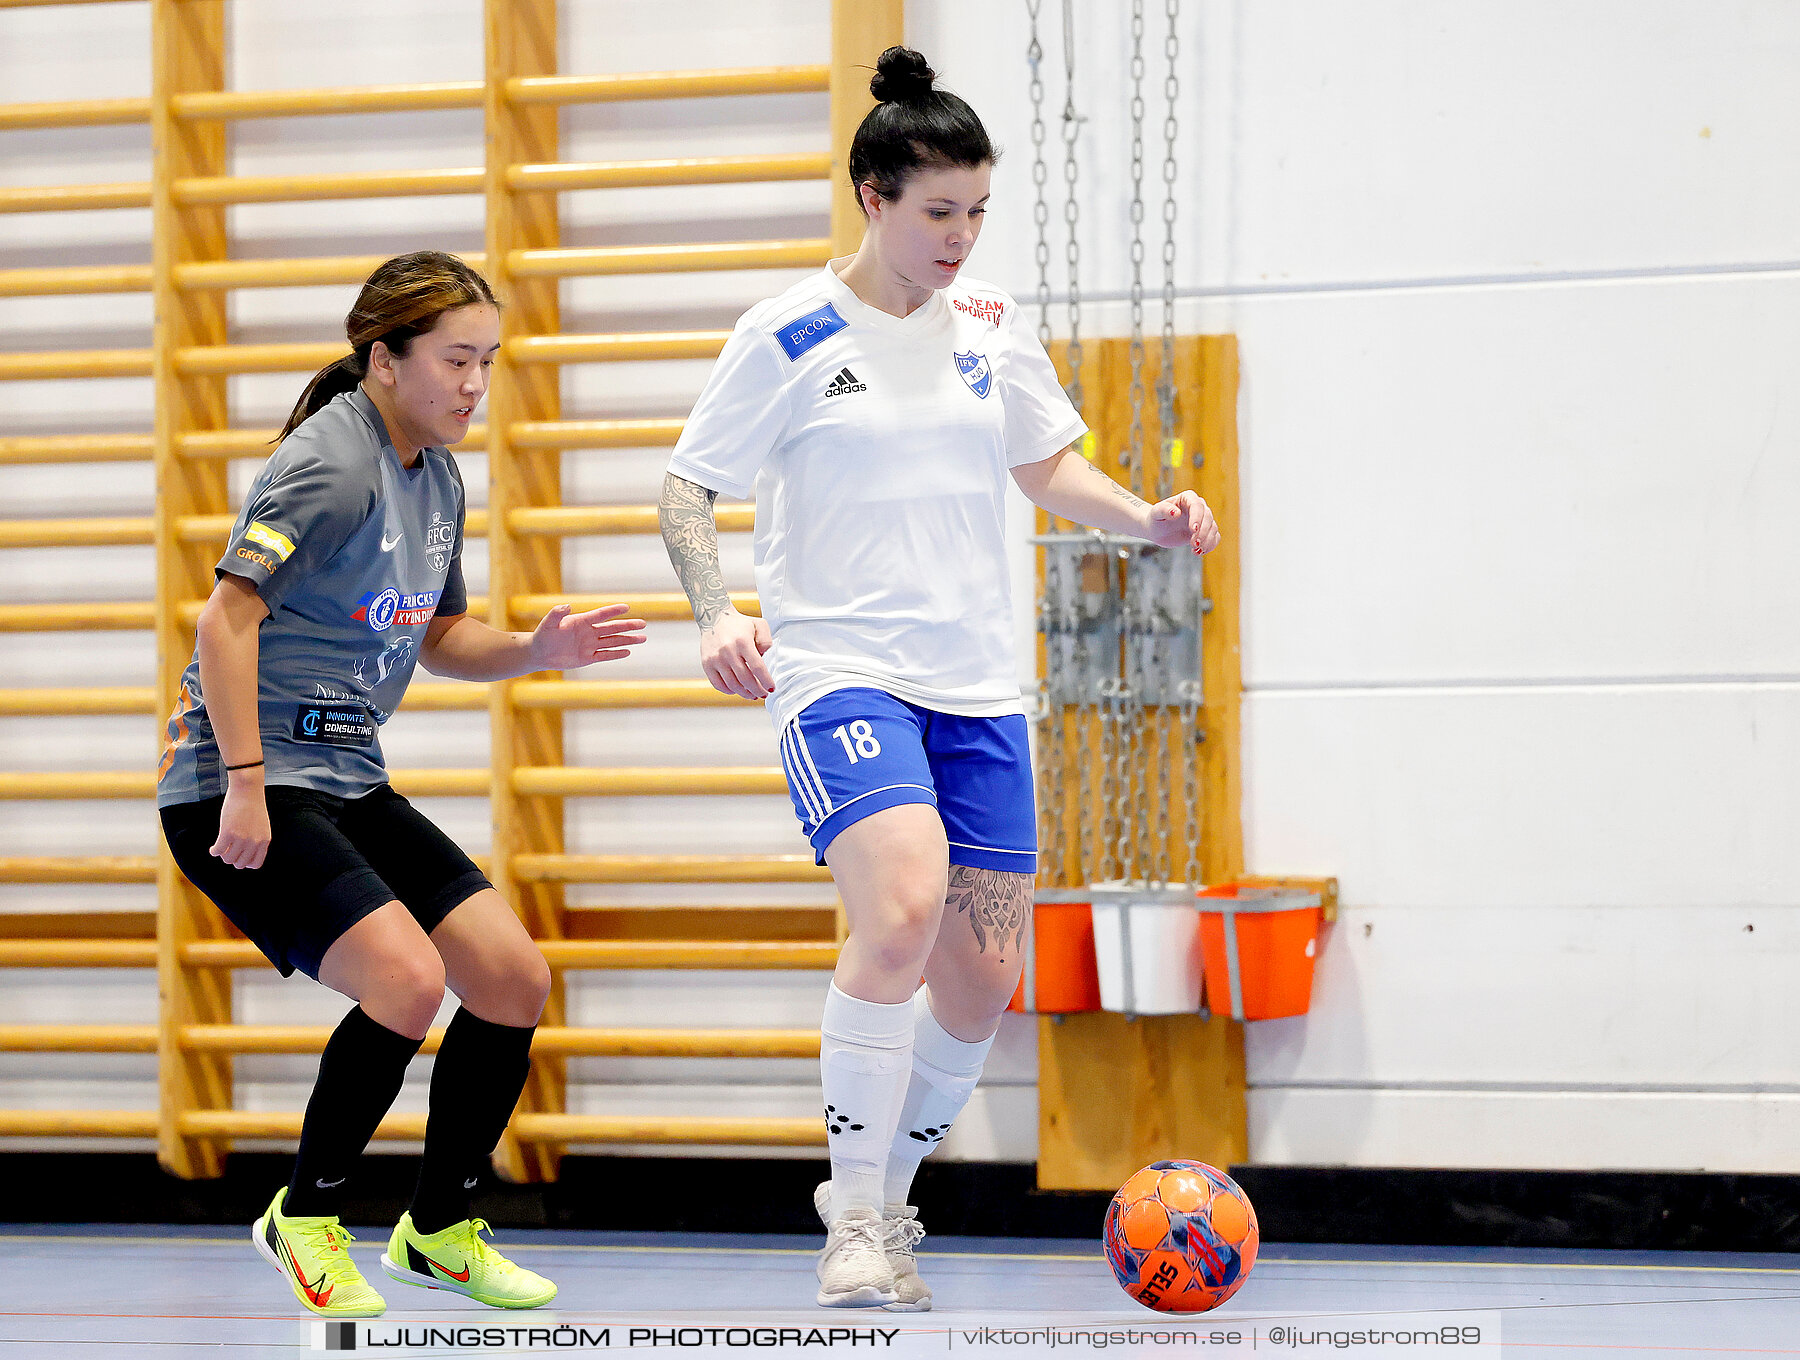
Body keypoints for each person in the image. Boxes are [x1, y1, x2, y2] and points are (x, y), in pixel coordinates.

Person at [658, 48, 1221, 1311]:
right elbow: (687, 487)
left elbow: (1046, 466)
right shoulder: (789, 333)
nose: (961, 238)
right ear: (873, 196)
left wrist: (1147, 519)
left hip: (978, 687)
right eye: (936, 212)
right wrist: (711, 611)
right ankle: (851, 1217)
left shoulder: (990, 324)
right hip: (843, 674)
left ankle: (892, 1199)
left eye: (976, 211)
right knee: (902, 913)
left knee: (981, 977)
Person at [157, 251, 647, 1319]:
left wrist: (534, 649)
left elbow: (437, 638)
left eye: (488, 362)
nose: (474, 384)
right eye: (455, 360)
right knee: (406, 980)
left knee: (512, 979)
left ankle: (437, 1232)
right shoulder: (331, 463)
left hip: (344, 776)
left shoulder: (438, 474)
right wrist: (242, 780)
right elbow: (225, 618)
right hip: (239, 783)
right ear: (384, 360)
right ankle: (308, 1214)